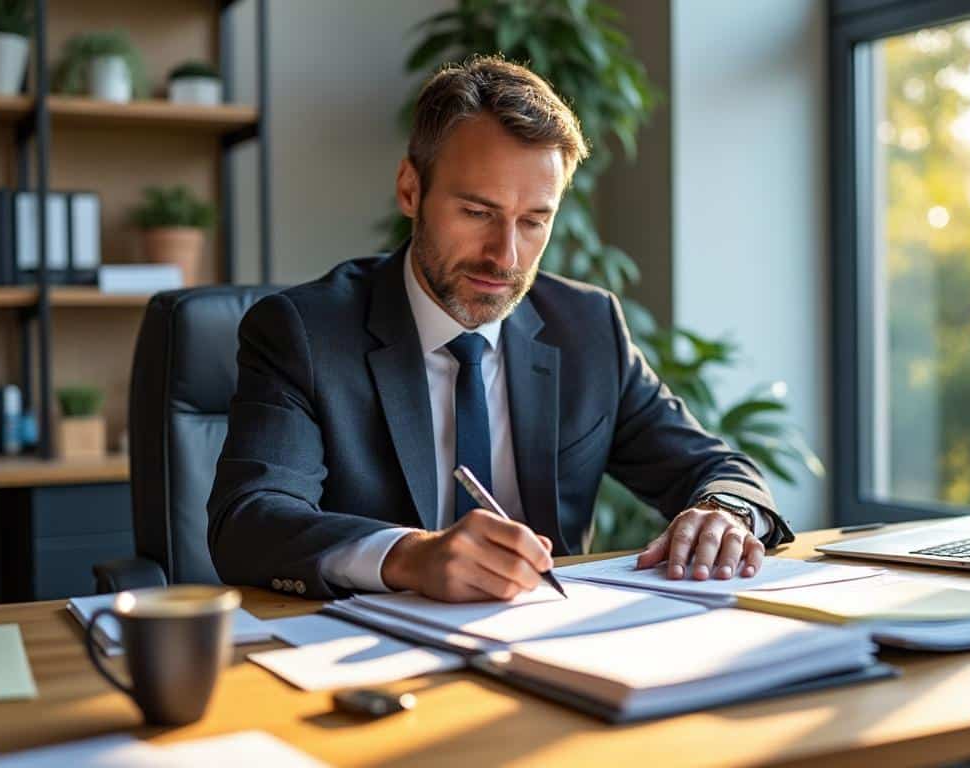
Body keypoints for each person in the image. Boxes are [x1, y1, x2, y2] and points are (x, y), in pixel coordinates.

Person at [207, 55, 791, 602]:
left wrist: (724, 513)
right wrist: (410, 556)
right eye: (477, 212)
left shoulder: (587, 328)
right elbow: (250, 520)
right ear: (410, 189)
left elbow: (718, 470)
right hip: (360, 654)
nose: (505, 257)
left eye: (534, 221)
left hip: (544, 644)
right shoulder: (305, 332)